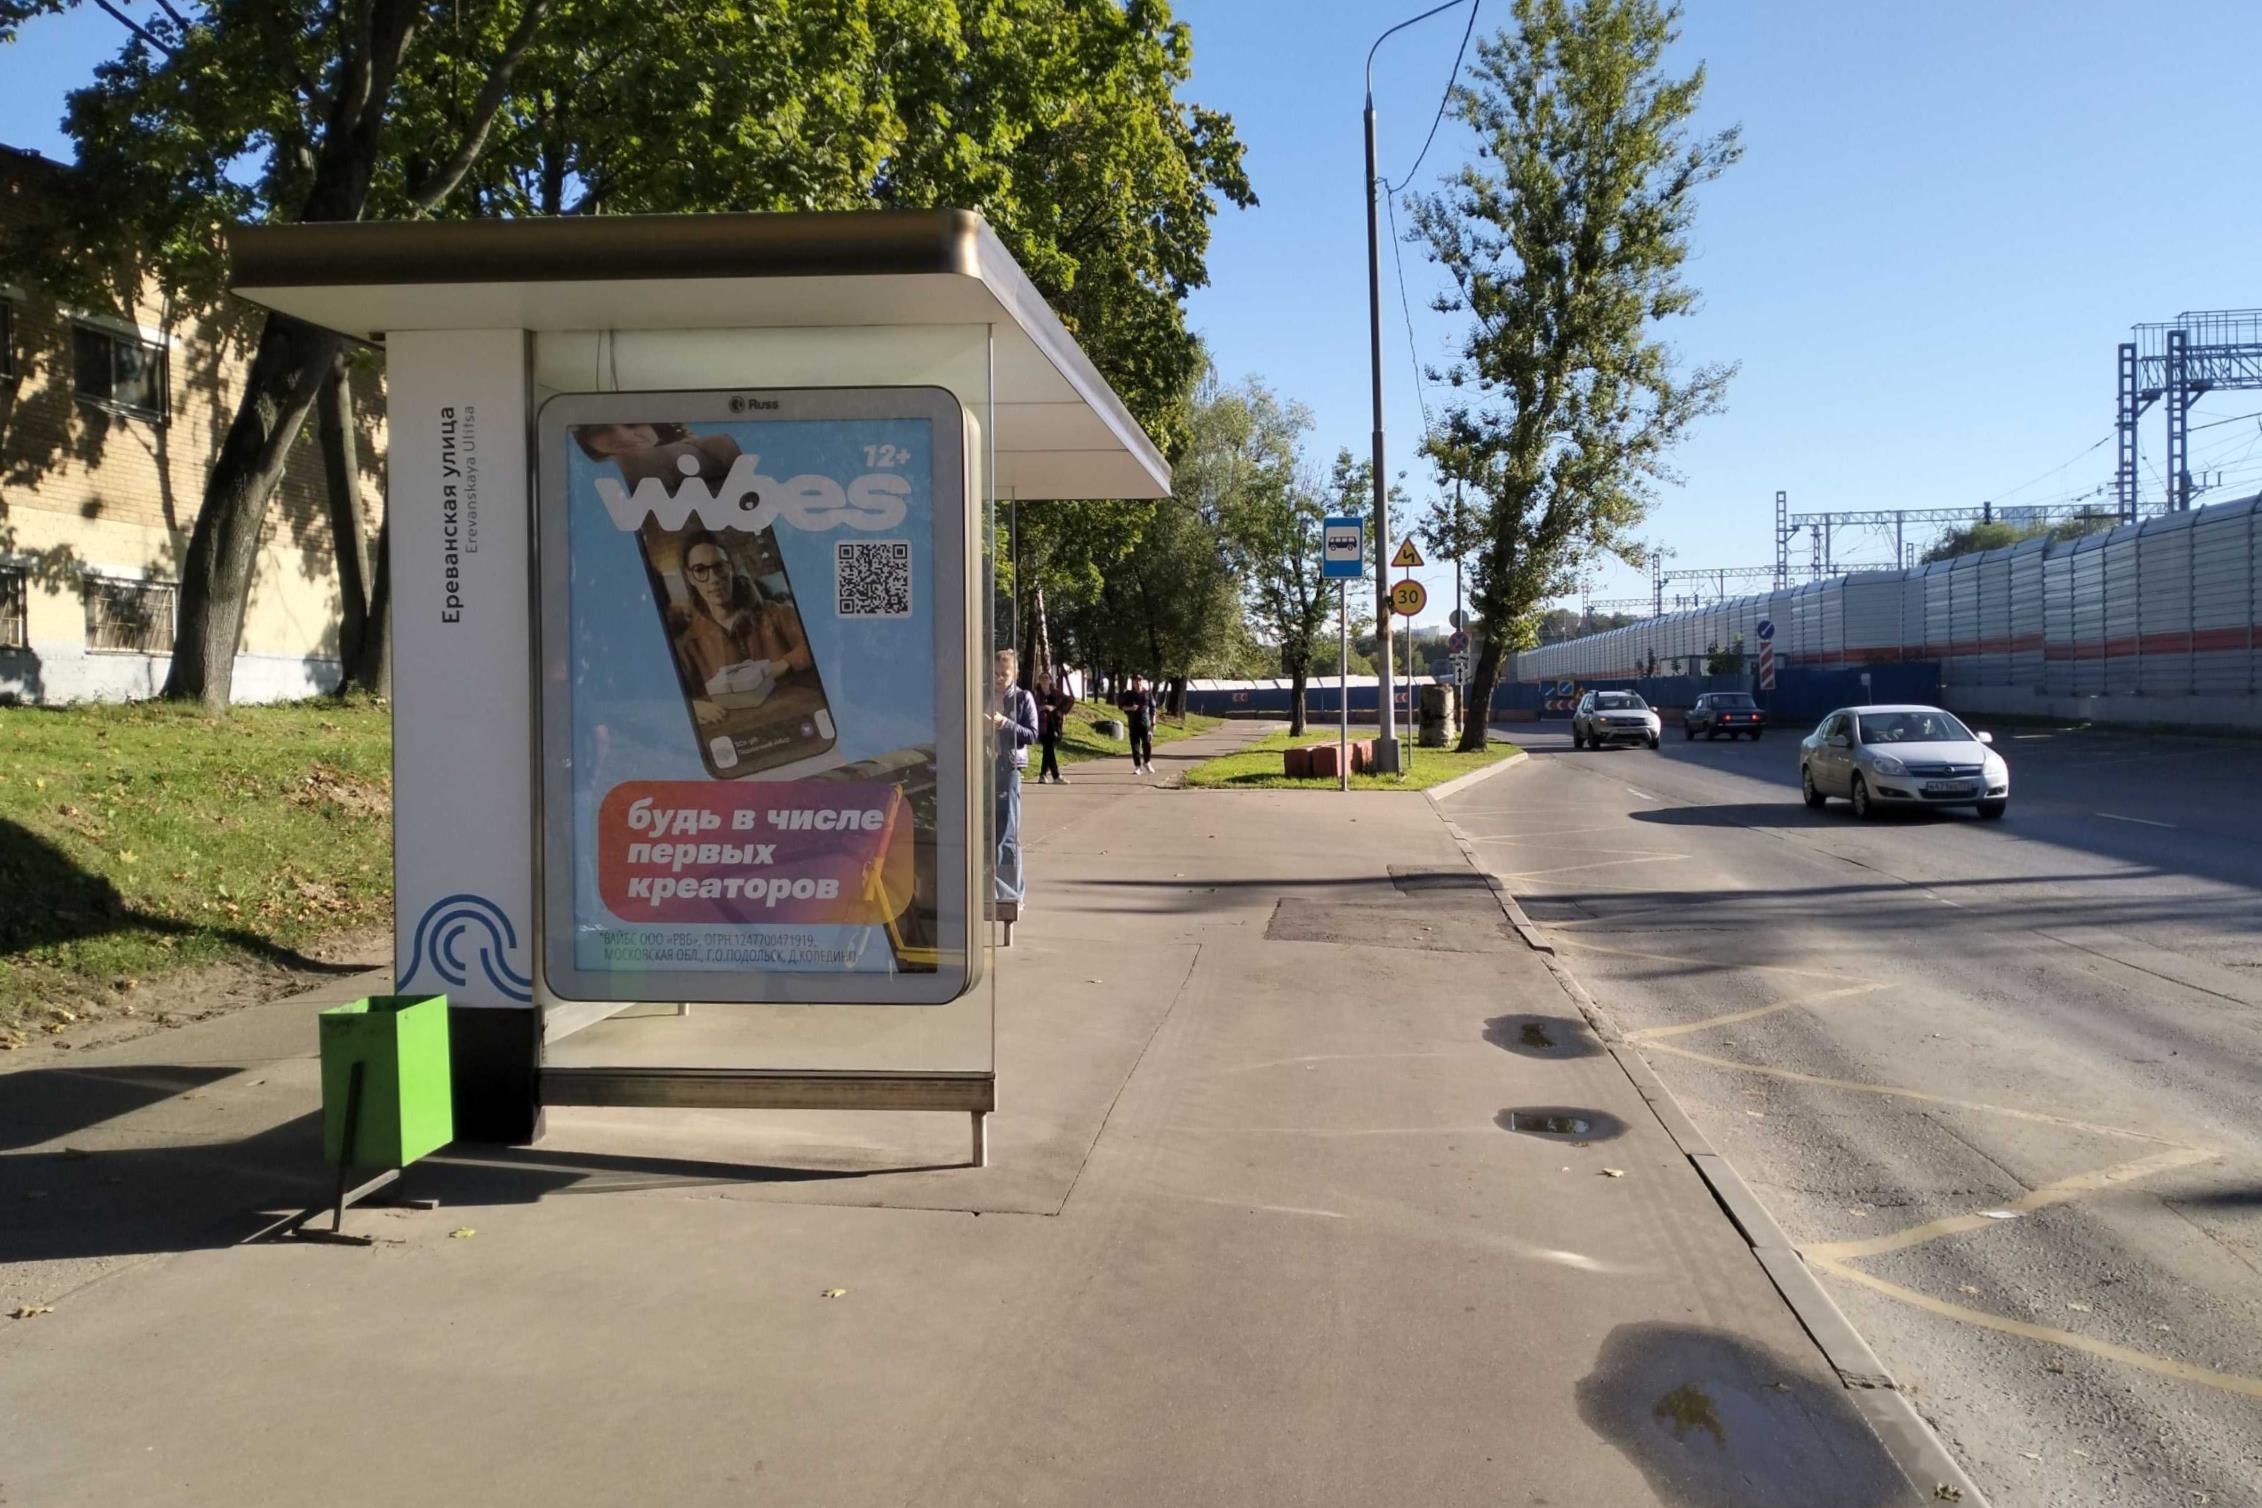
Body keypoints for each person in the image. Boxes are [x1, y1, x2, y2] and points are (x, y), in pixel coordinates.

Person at [671, 528, 814, 725]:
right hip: (737, 731)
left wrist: (783, 665)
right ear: (690, 577)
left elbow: (819, 638)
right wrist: (688, 707)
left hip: (792, 719)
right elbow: (662, 698)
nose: (713, 579)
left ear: (730, 568)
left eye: (719, 566)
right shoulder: (688, 645)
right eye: (700, 570)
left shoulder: (774, 614)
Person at [989, 650, 1038, 903]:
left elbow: (1032, 734)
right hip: (985, 766)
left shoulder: (1022, 697)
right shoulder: (983, 696)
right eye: (995, 673)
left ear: (1014, 674)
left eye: (1004, 674)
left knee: (1006, 832)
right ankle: (991, 887)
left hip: (1009, 768)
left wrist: (1004, 724)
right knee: (988, 830)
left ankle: (1010, 894)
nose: (999, 678)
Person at [1034, 673, 1074, 785]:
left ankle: (1043, 775)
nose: (1044, 680)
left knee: (1048, 749)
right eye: (1041, 678)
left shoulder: (1056, 693)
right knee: (1048, 748)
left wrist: (1057, 710)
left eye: (1046, 678)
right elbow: (1031, 706)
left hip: (1053, 725)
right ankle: (1056, 776)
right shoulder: (1036, 694)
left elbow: (1070, 700)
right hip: (1041, 725)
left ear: (1051, 680)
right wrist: (1042, 708)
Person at [1118, 675, 1156, 774]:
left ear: (1142, 682)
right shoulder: (1128, 694)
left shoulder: (1148, 693)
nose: (1138, 683)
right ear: (1133, 683)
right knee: (1135, 745)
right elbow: (1121, 706)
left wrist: (1153, 723)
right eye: (1136, 681)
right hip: (1133, 723)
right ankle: (1137, 766)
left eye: (1140, 681)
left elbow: (1153, 709)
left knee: (1147, 744)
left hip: (1145, 723)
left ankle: (1147, 762)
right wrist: (1130, 708)